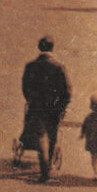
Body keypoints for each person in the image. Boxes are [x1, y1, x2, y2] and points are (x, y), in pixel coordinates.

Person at [20, 36, 72, 182]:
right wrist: (62, 106)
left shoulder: (30, 66)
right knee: (52, 137)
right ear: (52, 48)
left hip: (36, 107)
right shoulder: (59, 66)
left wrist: (31, 100)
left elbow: (25, 87)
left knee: (41, 137)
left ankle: (44, 172)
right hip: (53, 109)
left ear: (39, 47)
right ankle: (48, 167)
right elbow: (67, 90)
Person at [80, 95, 97, 180]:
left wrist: (82, 135)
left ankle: (96, 172)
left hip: (92, 140)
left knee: (94, 157)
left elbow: (84, 127)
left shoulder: (89, 117)